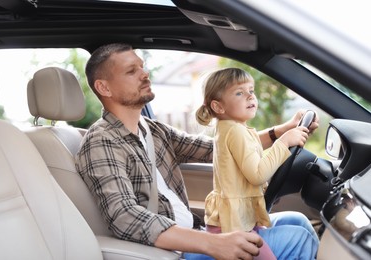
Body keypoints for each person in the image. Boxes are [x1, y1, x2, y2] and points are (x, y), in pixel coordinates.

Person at [74, 43, 318, 260]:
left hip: (198, 233)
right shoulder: (101, 141)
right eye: (131, 71)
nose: (145, 74)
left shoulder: (153, 130)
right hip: (174, 251)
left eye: (142, 66)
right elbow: (124, 216)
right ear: (104, 87)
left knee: (298, 221)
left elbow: (217, 149)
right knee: (299, 239)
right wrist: (213, 243)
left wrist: (280, 132)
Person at [195, 67, 320, 259]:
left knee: (299, 219)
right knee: (301, 237)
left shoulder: (232, 128)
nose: (250, 96)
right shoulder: (235, 132)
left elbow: (252, 155)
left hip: (235, 221)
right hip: (235, 229)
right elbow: (258, 174)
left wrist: (285, 131)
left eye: (251, 91)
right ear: (219, 107)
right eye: (239, 93)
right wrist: (284, 142)